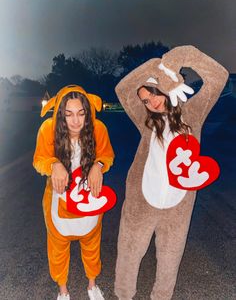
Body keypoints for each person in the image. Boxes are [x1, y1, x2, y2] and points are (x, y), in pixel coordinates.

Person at [114, 45, 228, 300]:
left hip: (178, 205)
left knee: (169, 260)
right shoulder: (146, 120)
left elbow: (218, 76)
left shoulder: (193, 113)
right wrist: (156, 66)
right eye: (145, 100)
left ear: (166, 86)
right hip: (142, 201)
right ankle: (123, 295)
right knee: (129, 253)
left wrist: (183, 57)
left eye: (153, 94)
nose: (151, 102)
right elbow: (122, 89)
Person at [33, 85, 114, 300]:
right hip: (58, 204)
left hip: (90, 201)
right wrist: (53, 165)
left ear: (88, 113)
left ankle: (92, 285)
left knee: (91, 244)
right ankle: (63, 290)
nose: (75, 121)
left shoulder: (98, 129)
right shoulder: (47, 129)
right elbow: (39, 160)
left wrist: (98, 164)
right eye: (68, 114)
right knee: (58, 249)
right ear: (60, 114)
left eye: (81, 113)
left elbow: (107, 155)